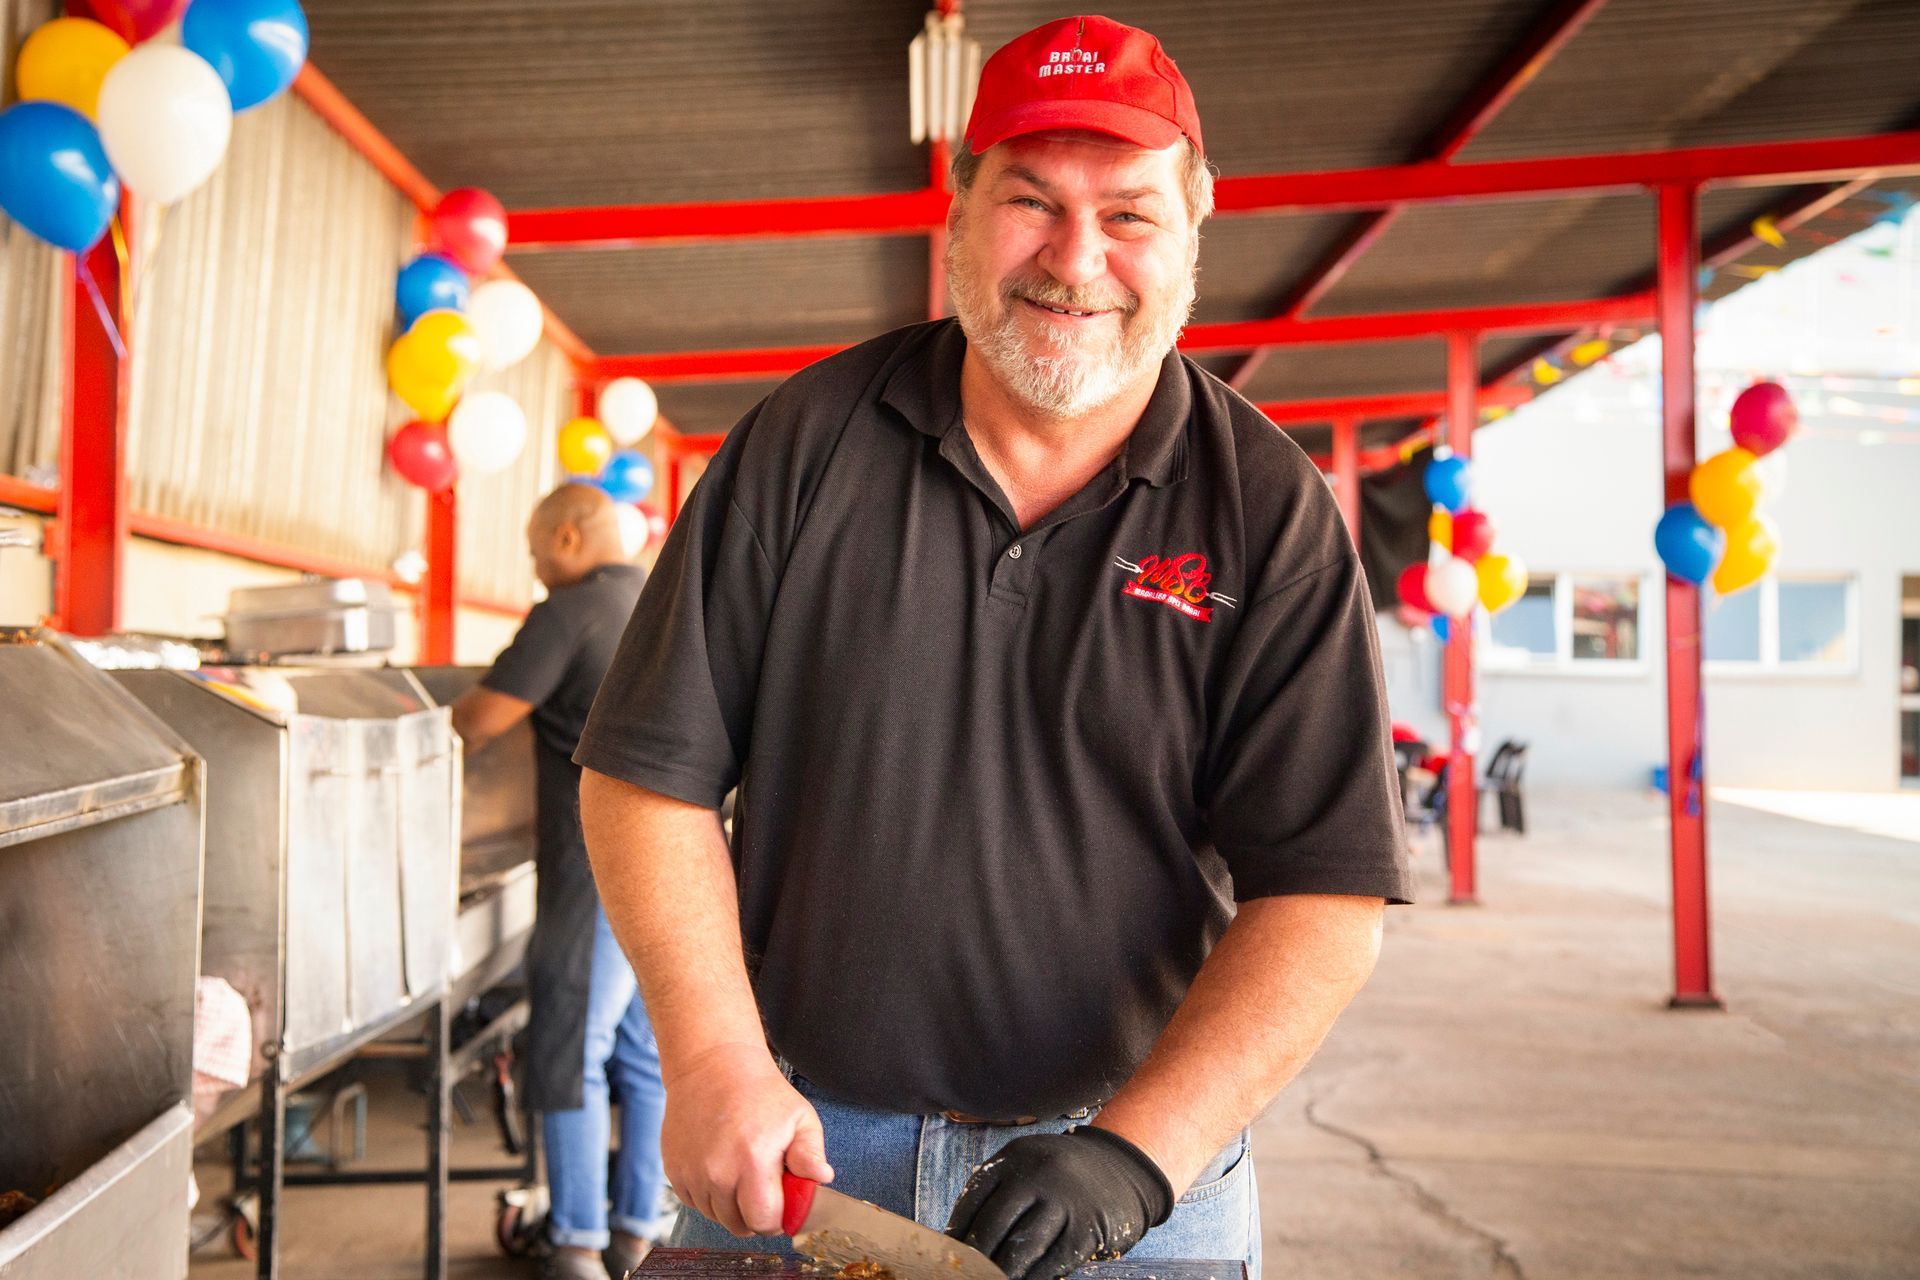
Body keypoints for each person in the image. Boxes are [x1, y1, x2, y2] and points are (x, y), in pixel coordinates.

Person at [575, 16, 1412, 1280]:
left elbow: (1327, 896)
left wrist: (1137, 1152)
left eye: (1129, 213)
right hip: (796, 1153)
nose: (1077, 259)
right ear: (959, 210)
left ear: (1193, 231)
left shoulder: (1270, 510)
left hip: (1140, 1179)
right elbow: (647, 775)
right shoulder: (801, 447)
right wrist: (710, 1060)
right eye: (1031, 200)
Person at [451, 484, 672, 1280]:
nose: (537, 566)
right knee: (644, 1054)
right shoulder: (663, 594)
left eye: (537, 549)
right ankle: (639, 1228)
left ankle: (577, 1239)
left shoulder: (569, 610)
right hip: (681, 862)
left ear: (570, 537)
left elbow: (476, 720)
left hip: (592, 862)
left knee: (570, 1045)